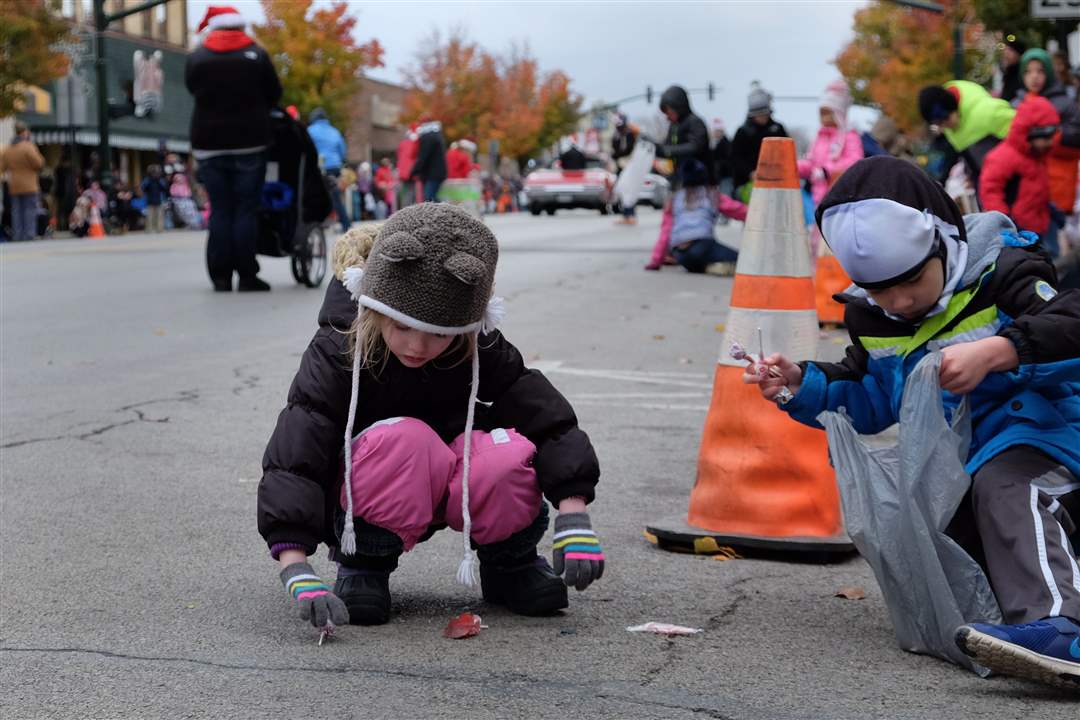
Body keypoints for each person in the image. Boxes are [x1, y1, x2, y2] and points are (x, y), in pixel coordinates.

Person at [744, 155, 1080, 691]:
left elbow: (1070, 325)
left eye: (911, 282)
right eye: (880, 292)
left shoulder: (1005, 275)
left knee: (1008, 487)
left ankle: (1066, 628)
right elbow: (873, 394)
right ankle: (1028, 623)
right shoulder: (875, 319)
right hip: (963, 465)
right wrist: (800, 384)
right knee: (945, 523)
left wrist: (1001, 350)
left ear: (943, 242)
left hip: (1050, 437)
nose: (899, 302)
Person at [258, 205, 605, 628]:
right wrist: (294, 565)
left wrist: (574, 512)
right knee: (405, 439)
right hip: (372, 490)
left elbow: (547, 419)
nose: (418, 346)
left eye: (439, 333)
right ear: (377, 306)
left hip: (452, 481)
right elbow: (297, 453)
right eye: (402, 326)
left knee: (504, 455)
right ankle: (365, 565)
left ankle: (510, 563)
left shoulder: (476, 345)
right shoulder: (339, 348)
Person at [185, 5, 282, 292]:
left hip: (208, 143)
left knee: (220, 209)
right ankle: (247, 274)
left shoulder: (198, 57)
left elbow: (192, 88)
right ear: (240, 27)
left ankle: (220, 276)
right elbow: (274, 93)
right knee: (245, 210)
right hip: (250, 142)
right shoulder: (256, 55)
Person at [1017, 48, 1080, 258]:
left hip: (1056, 186)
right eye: (1029, 71)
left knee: (1052, 251)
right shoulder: (1020, 104)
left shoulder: (1064, 103)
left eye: (1040, 71)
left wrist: (1048, 137)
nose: (1034, 77)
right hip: (1029, 191)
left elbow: (1075, 138)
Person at [642, 85, 712, 271]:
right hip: (678, 180)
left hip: (696, 182)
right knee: (672, 220)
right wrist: (653, 147)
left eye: (670, 111)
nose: (667, 115)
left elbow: (697, 146)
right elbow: (666, 148)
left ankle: (697, 252)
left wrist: (668, 150)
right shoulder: (674, 126)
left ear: (679, 107)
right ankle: (666, 254)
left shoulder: (695, 123)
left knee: (699, 221)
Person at [979, 95, 1059, 239]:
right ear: (1030, 133)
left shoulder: (1037, 156)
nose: (1050, 143)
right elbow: (990, 192)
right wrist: (1006, 224)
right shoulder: (1003, 157)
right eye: (1046, 138)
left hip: (1041, 223)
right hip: (1019, 229)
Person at [917, 81, 1014, 191]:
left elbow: (1022, 132)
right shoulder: (952, 128)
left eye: (946, 119)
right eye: (939, 124)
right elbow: (955, 154)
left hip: (1014, 177)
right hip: (990, 186)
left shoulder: (987, 111)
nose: (945, 126)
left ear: (952, 107)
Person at [668, 159, 745, 275]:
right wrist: (758, 214)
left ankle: (707, 267)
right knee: (742, 260)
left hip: (680, 254)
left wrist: (656, 260)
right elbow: (738, 210)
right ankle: (718, 266)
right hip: (701, 245)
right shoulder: (711, 195)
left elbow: (666, 231)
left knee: (696, 262)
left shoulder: (675, 199)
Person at [730, 82, 789, 199]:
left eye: (765, 114)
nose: (763, 117)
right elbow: (735, 158)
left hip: (775, 180)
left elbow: (786, 152)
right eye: (759, 114)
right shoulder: (743, 132)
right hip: (748, 182)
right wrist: (750, 172)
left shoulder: (777, 128)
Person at [307, 108, 351, 233]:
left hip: (318, 168)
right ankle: (346, 225)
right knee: (336, 198)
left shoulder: (310, 131)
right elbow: (342, 152)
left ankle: (316, 224)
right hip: (334, 167)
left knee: (315, 196)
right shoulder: (335, 131)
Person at [1, 122, 45, 242]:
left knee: (16, 211)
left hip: (14, 184)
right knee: (29, 209)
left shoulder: (8, 149)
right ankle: (29, 234)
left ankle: (17, 235)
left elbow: (2, 167)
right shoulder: (28, 147)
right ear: (24, 132)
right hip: (29, 184)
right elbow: (39, 163)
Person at [611, 112, 639, 225]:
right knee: (622, 190)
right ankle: (625, 215)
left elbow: (629, 149)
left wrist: (617, 154)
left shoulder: (629, 134)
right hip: (620, 165)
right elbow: (614, 147)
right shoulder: (617, 134)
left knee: (629, 190)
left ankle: (631, 214)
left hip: (630, 165)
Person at [410, 119, 447, 202]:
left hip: (433, 174)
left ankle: (441, 214)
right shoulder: (435, 136)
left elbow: (423, 156)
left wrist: (414, 171)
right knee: (432, 197)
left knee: (429, 198)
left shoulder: (428, 138)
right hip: (435, 173)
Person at [996, 34, 1026, 104]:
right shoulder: (1008, 72)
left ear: (1019, 55)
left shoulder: (1021, 75)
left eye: (1010, 50)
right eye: (1005, 49)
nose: (1006, 53)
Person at [395, 126, 419, 209]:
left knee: (406, 193)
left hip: (403, 173)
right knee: (411, 193)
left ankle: (405, 209)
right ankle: (409, 210)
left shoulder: (402, 144)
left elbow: (399, 157)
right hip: (411, 172)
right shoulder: (414, 143)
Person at [141, 165, 168, 233]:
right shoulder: (147, 179)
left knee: (159, 215)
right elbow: (143, 187)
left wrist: (159, 181)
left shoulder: (160, 180)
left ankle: (159, 229)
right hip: (149, 200)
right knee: (150, 216)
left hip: (159, 199)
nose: (155, 174)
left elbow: (164, 188)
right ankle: (149, 229)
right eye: (153, 172)